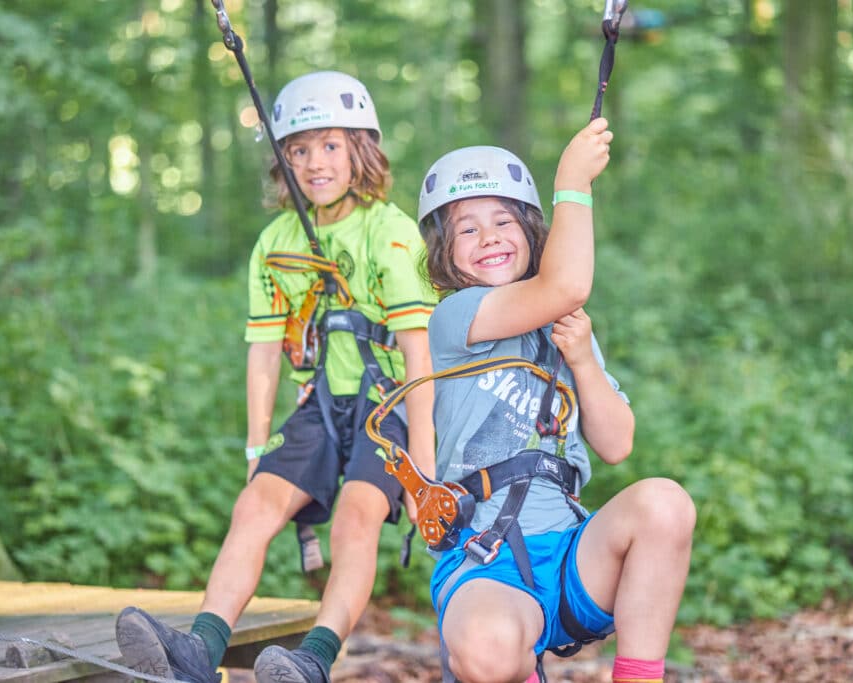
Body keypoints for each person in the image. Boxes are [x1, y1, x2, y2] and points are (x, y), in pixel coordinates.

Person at [114, 70, 437, 683]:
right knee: (255, 504)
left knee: (356, 518)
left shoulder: (390, 233)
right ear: (282, 161)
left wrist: (422, 474)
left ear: (361, 150)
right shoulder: (275, 242)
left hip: (388, 402)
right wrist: (257, 445)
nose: (315, 163)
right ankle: (198, 650)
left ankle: (312, 658)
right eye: (299, 149)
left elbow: (420, 358)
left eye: (331, 145)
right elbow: (264, 351)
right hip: (319, 404)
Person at [413, 117, 695, 683]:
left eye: (504, 221)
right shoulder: (456, 318)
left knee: (664, 503)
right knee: (488, 653)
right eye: (467, 230)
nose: (489, 236)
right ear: (446, 253)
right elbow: (565, 284)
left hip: (570, 555)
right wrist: (573, 184)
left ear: (532, 233)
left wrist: (585, 360)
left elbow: (617, 444)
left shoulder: (564, 330)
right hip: (486, 559)